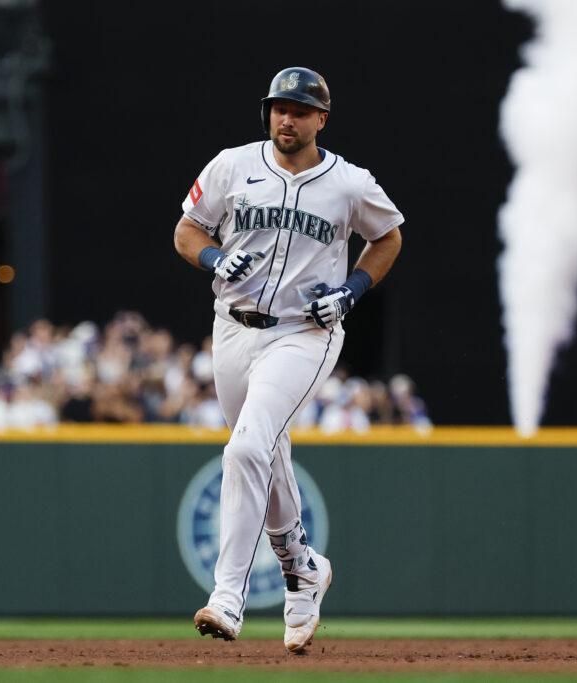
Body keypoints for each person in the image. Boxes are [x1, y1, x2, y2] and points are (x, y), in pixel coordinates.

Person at [173, 66, 403, 653]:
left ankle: (227, 596)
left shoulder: (348, 183)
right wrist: (212, 259)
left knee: (248, 446)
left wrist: (352, 289)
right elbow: (187, 230)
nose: (286, 118)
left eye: (299, 110)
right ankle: (303, 569)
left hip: (305, 333)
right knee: (266, 452)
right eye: (278, 107)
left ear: (321, 120)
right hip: (232, 331)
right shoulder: (232, 164)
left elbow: (389, 235)